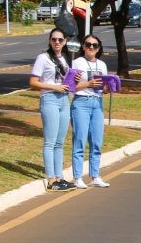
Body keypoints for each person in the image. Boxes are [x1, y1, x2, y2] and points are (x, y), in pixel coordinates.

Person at [29, 28, 77, 191]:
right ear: (50, 41)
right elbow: (34, 82)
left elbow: (68, 83)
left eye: (60, 40)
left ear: (64, 42)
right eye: (54, 39)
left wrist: (73, 79)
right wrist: (54, 87)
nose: (57, 42)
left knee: (59, 142)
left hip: (64, 100)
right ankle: (51, 180)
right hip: (49, 99)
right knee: (49, 142)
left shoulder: (64, 59)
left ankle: (60, 177)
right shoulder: (43, 58)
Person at [70, 34, 111, 188]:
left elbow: (104, 88)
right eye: (88, 44)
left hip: (97, 102)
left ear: (99, 48)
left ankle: (95, 175)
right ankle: (78, 177)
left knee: (96, 141)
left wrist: (107, 87)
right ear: (83, 46)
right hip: (81, 102)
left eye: (94, 45)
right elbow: (71, 87)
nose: (91, 47)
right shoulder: (76, 63)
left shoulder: (102, 65)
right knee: (80, 139)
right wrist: (88, 83)